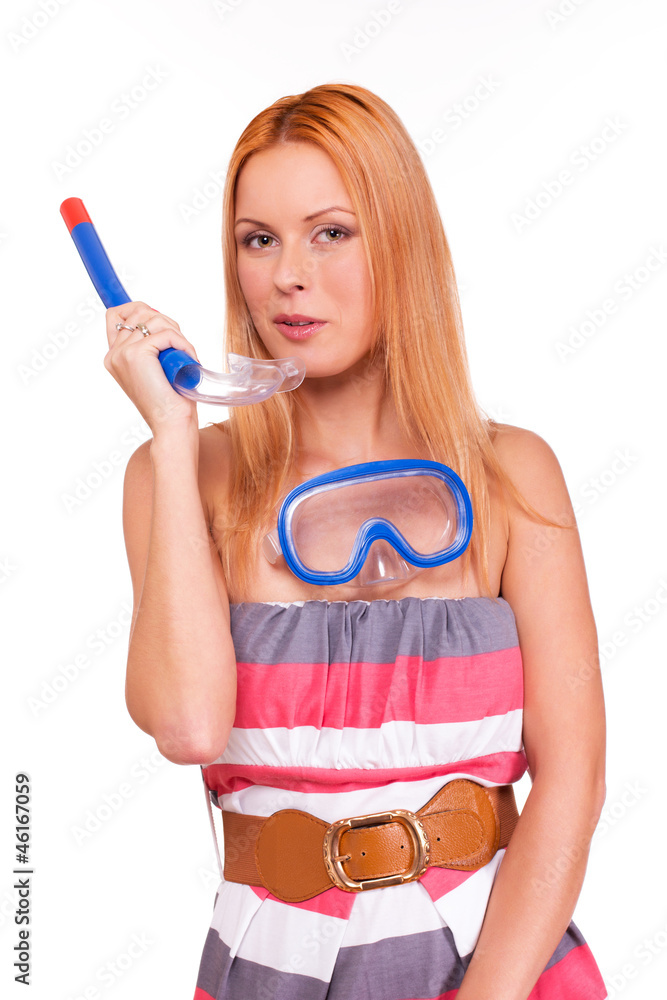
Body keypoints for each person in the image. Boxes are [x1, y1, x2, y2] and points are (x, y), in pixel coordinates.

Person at [104, 83, 608, 1000]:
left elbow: (572, 781)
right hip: (273, 971)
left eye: (330, 232)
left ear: (400, 242)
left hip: (498, 967)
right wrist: (174, 436)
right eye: (259, 239)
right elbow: (188, 726)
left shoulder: (513, 475)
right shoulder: (178, 477)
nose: (287, 276)